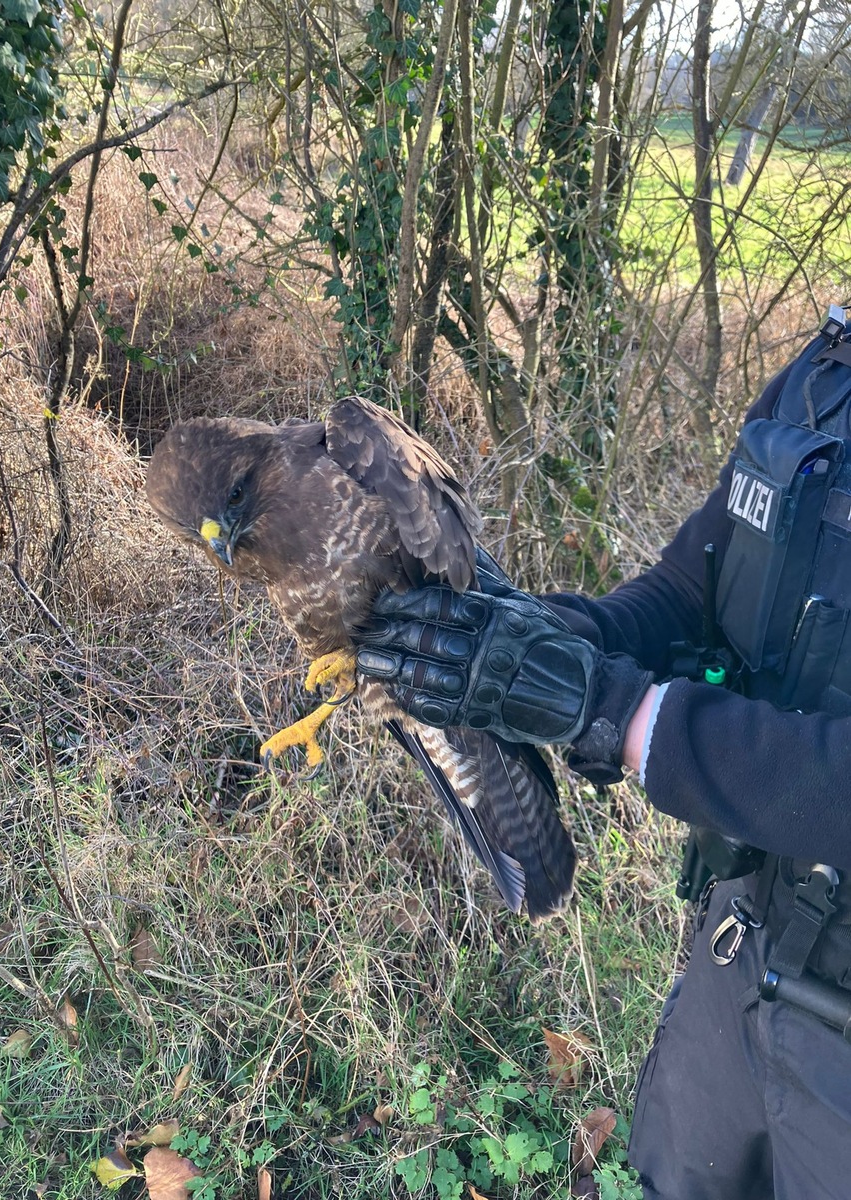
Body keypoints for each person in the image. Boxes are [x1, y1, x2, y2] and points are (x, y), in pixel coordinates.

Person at [354, 307, 851, 1200]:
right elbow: (693, 583)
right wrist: (553, 640)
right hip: (746, 937)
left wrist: (619, 714)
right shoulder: (828, 370)